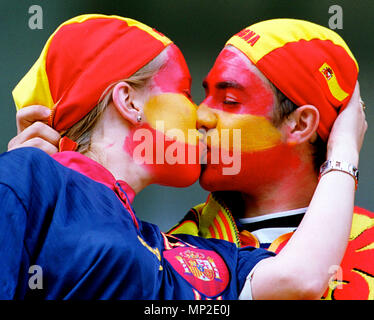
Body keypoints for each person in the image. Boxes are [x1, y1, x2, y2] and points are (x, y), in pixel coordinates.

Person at [4, 15, 366, 300]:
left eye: (228, 101)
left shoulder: (184, 254)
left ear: (300, 124)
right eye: (187, 92)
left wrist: (345, 148)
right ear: (128, 102)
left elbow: (299, 278)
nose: (200, 115)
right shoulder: (30, 179)